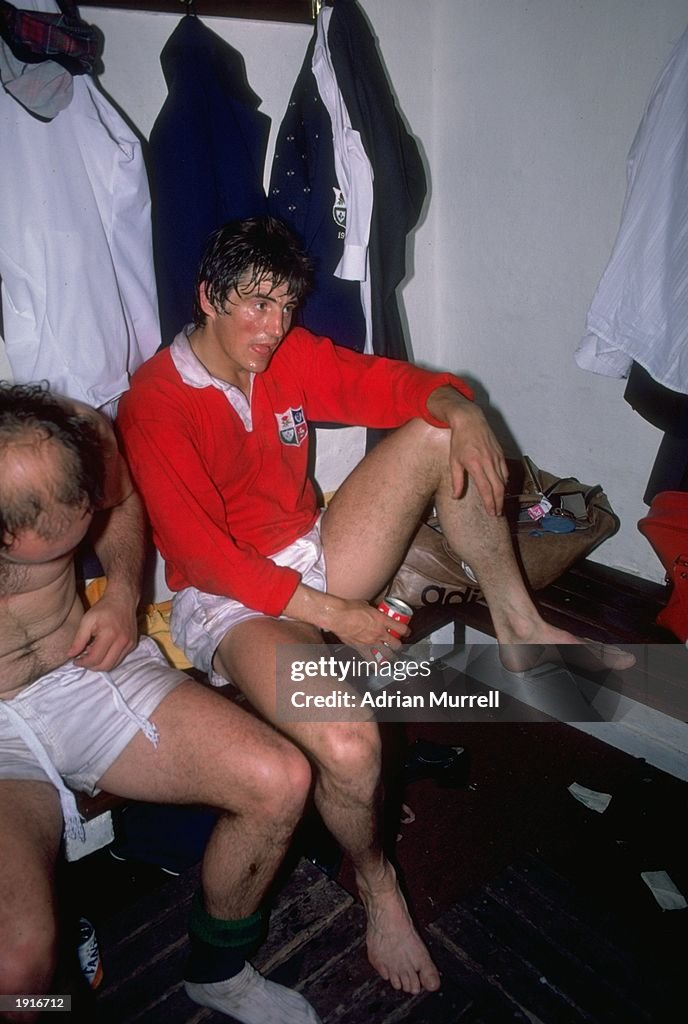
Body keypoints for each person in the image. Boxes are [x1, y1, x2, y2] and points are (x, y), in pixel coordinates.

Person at [116, 216, 635, 999]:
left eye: (286, 305)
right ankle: (379, 882)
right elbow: (204, 558)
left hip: (314, 551)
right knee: (352, 749)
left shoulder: (285, 355)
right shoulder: (154, 401)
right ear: (208, 297)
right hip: (228, 602)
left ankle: (522, 628)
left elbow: (384, 383)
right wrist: (338, 615)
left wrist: (459, 410)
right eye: (256, 304)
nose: (274, 326)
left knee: (437, 430)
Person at [0, 383, 321, 1024]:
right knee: (17, 967)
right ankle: (53, 1001)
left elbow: (122, 503)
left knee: (279, 779)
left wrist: (121, 593)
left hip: (91, 673)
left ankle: (218, 970)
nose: (79, 521)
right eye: (46, 524)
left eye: (79, 505)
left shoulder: (70, 433)